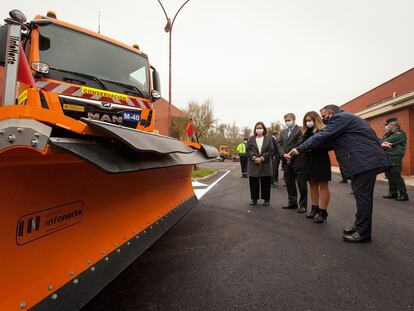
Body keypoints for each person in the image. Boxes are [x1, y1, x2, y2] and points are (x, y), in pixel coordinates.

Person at [289, 105, 392, 243]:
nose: (324, 120)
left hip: (363, 163)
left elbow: (323, 135)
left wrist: (299, 149)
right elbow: (366, 135)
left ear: (331, 113)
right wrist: (380, 142)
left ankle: (363, 232)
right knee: (361, 197)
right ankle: (359, 225)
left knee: (363, 198)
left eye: (324, 116)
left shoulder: (340, 118)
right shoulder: (349, 119)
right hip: (362, 163)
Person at [301, 111, 331, 223]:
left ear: (316, 120)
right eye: (306, 121)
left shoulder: (323, 130)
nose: (308, 123)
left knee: (323, 186)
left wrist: (312, 148)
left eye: (310, 120)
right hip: (308, 161)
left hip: (321, 160)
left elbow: (329, 145)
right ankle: (314, 208)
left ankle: (323, 212)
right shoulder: (304, 132)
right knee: (312, 185)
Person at [279, 113, 308, 213]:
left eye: (289, 120)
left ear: (294, 119)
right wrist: (283, 154)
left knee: (301, 183)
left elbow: (300, 143)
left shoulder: (301, 130)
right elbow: (279, 145)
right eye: (285, 120)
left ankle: (303, 205)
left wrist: (290, 154)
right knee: (289, 182)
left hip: (298, 160)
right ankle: (292, 202)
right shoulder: (283, 132)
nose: (287, 122)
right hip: (286, 161)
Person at [381, 118, 409, 201]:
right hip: (388, 157)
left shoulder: (399, 133)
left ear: (392, 125)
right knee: (390, 175)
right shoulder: (389, 134)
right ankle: (393, 193)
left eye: (387, 125)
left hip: (395, 157)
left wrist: (381, 141)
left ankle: (404, 195)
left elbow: (385, 141)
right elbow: (382, 141)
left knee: (396, 175)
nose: (386, 127)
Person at [247, 122, 274, 206]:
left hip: (265, 163)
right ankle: (254, 199)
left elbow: (271, 150)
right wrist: (254, 157)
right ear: (255, 129)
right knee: (253, 182)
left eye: (260, 128)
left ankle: (266, 199)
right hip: (253, 163)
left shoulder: (268, 139)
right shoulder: (251, 139)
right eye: (257, 128)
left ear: (264, 129)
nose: (259, 129)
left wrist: (262, 158)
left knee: (265, 182)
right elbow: (248, 150)